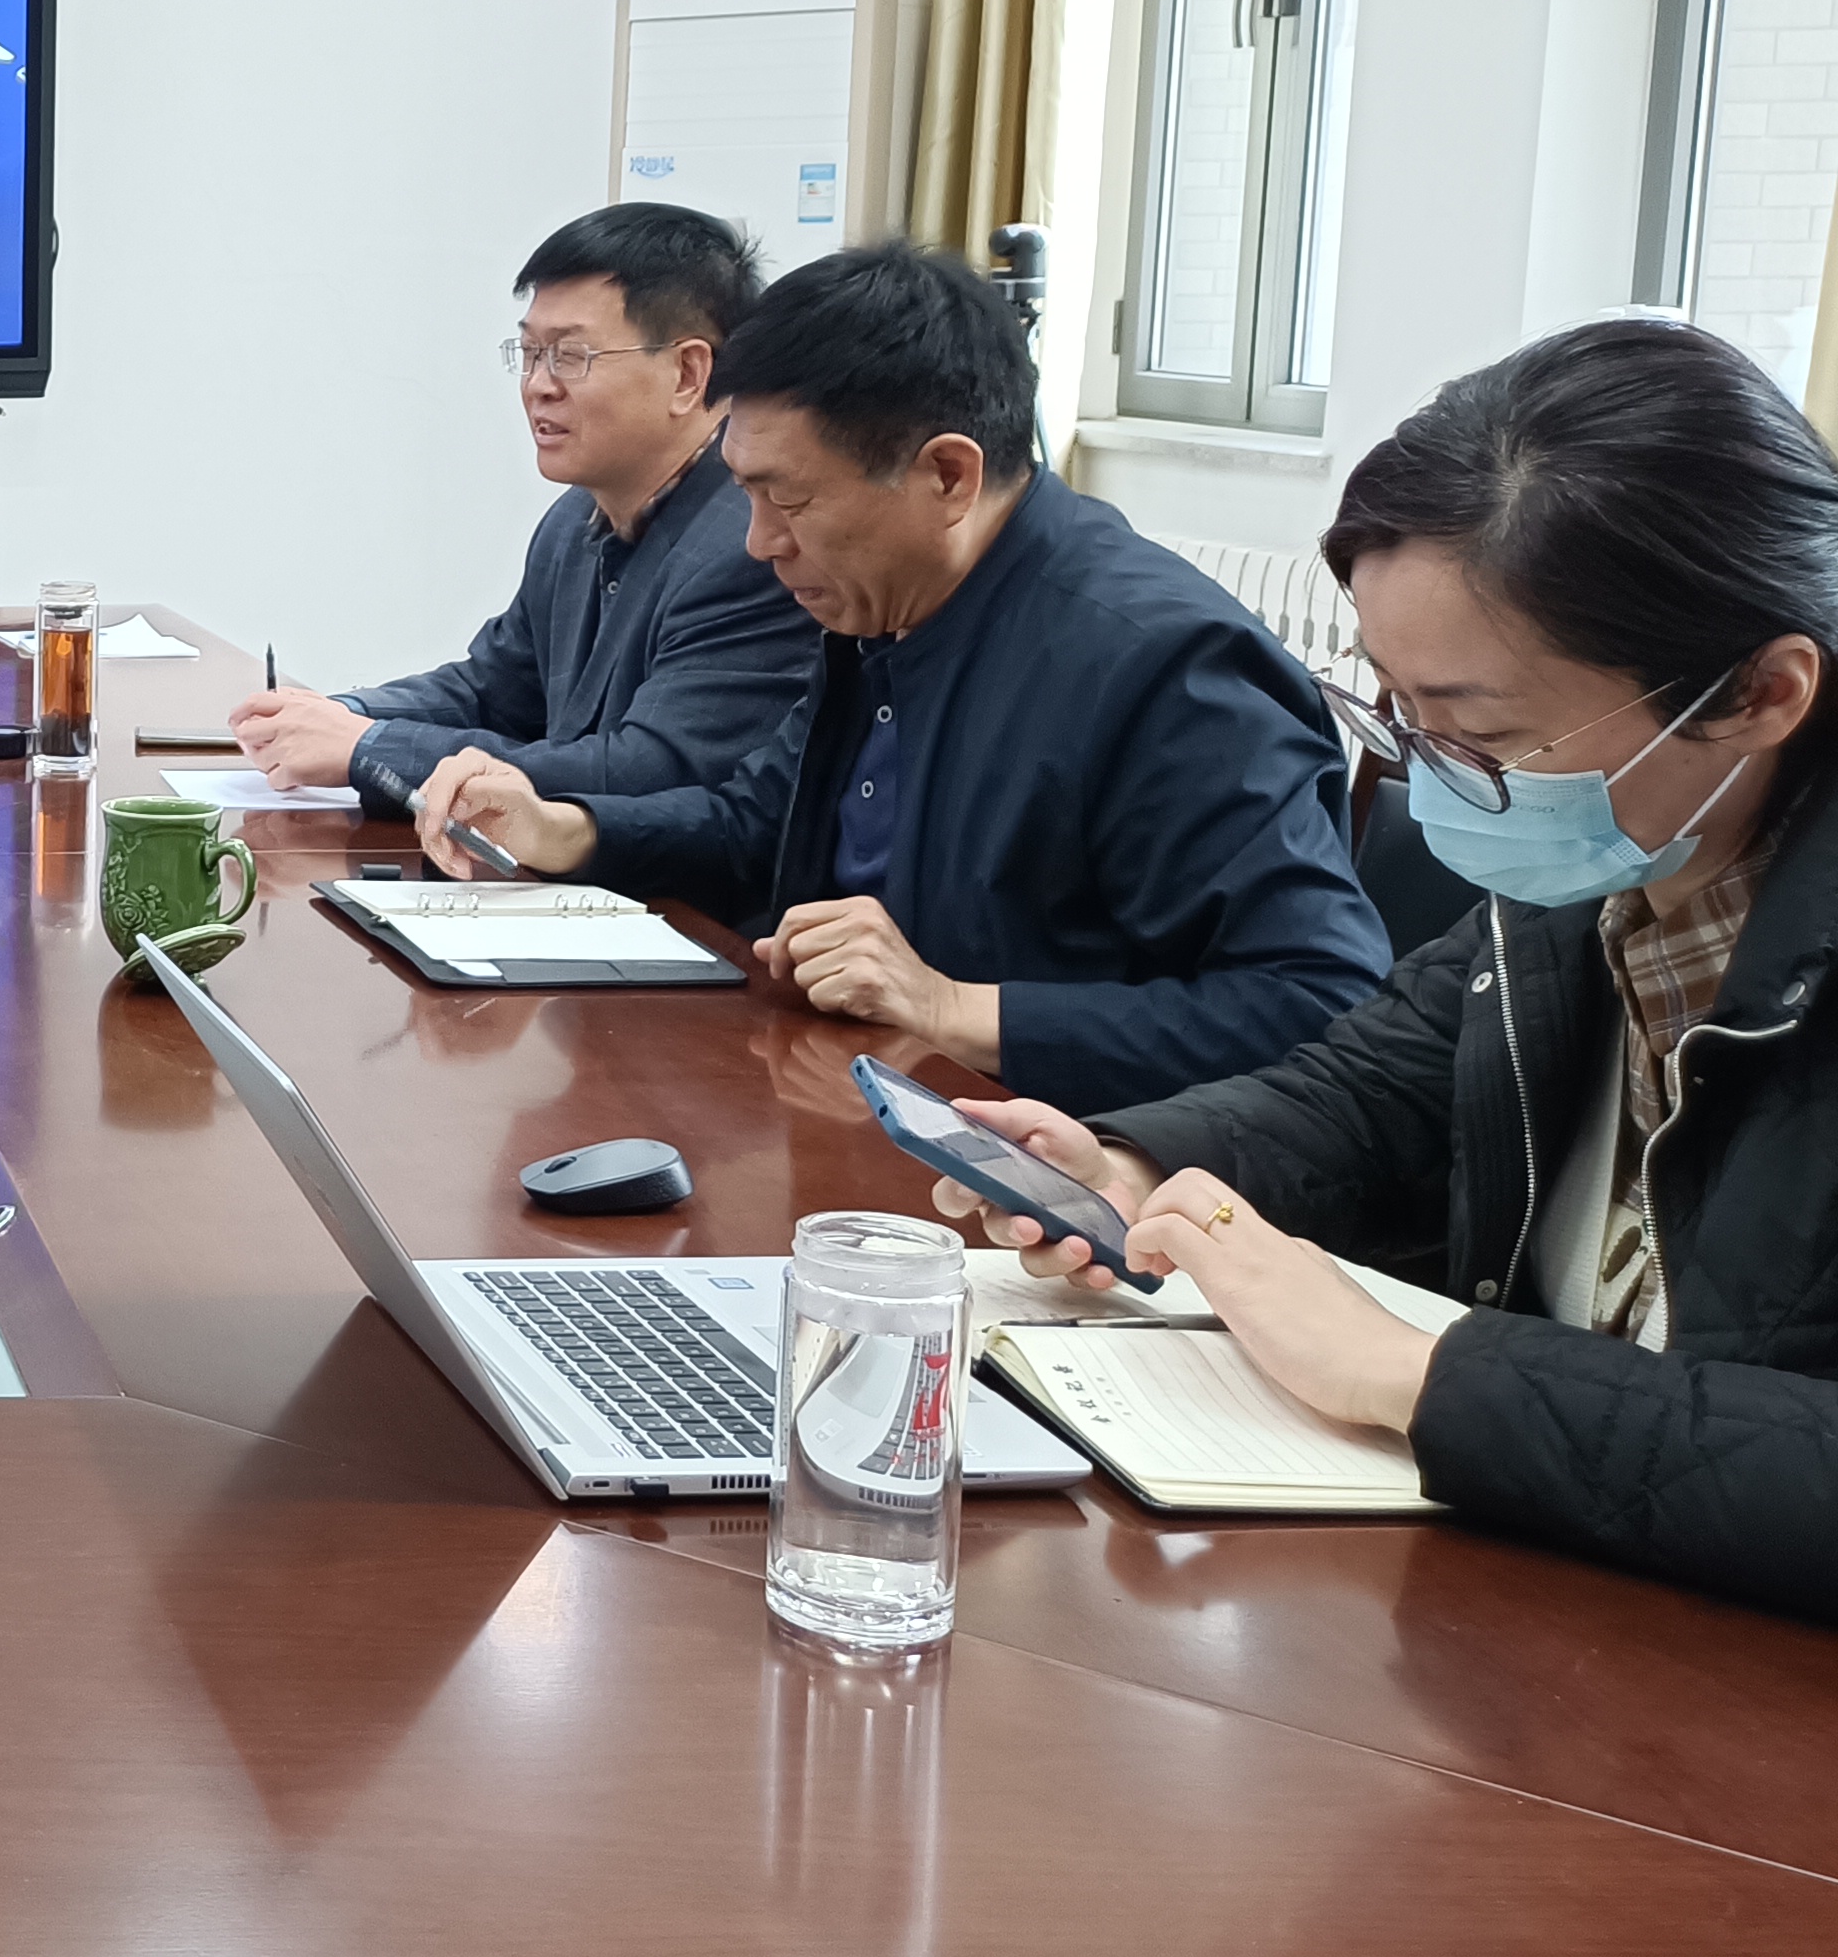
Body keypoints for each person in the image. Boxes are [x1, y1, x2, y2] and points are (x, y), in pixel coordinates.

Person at [936, 320, 1838, 1622]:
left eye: (1483, 735)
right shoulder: (1596, 877)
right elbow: (1369, 1088)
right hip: (1537, 1601)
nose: (1431, 780)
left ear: (1761, 694)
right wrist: (1134, 1166)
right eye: (1397, 712)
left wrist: (1419, 1374)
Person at [413, 243, 1388, 1110]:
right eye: (746, 493)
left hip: (1055, 1175)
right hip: (858, 1110)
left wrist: (954, 1009)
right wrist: (565, 829)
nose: (759, 543)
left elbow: (1318, 1002)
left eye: (789, 500)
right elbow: (759, 824)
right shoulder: (882, 601)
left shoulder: (1166, 669)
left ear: (947, 476)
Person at [230, 203, 814, 813]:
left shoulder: (750, 545)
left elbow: (650, 770)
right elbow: (494, 692)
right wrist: (339, 714)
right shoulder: (573, 520)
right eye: (530, 352)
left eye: (570, 356)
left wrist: (369, 747)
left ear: (688, 374)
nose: (538, 385)